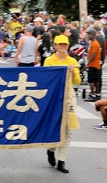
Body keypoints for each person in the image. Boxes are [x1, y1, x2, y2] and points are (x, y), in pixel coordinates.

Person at [43, 34, 81, 174]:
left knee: (68, 130)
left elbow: (77, 82)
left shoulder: (72, 61)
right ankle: (51, 149)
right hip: (54, 96)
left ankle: (62, 160)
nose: (63, 47)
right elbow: (45, 78)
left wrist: (73, 73)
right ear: (55, 46)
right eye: (60, 44)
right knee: (55, 127)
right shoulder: (49, 60)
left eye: (65, 44)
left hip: (68, 95)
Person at [84, 29, 102, 101]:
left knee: (91, 81)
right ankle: (97, 94)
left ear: (93, 35)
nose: (88, 36)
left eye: (89, 34)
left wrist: (87, 64)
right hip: (96, 65)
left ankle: (92, 94)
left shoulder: (94, 44)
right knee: (96, 81)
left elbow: (93, 55)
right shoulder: (94, 43)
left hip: (93, 65)